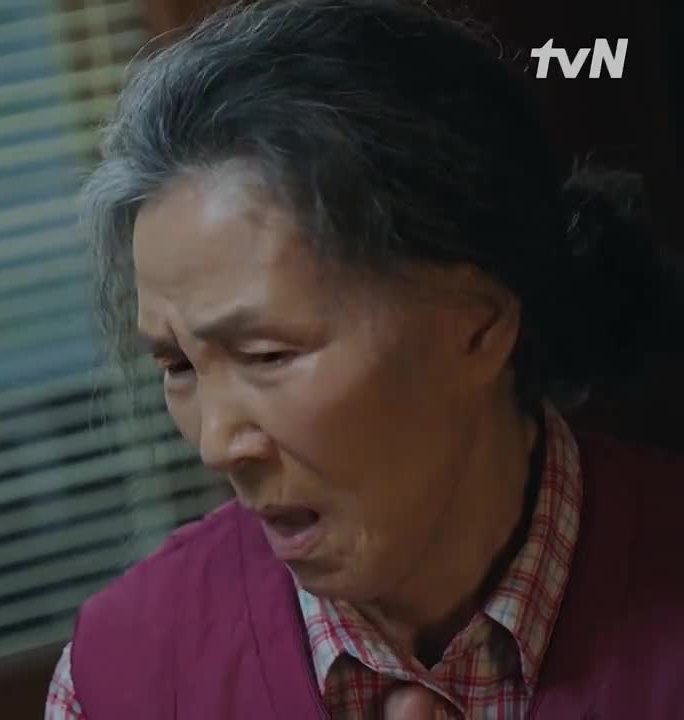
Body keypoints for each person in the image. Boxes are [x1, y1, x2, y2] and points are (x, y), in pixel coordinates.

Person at [46, 1, 682, 718]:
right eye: (178, 367)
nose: (217, 445)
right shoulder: (118, 678)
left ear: (477, 325)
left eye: (267, 354)